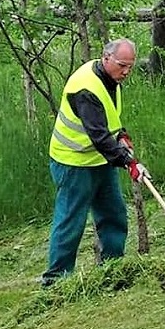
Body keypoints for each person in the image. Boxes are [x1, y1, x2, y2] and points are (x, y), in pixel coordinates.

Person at [40, 38, 151, 287]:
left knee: (113, 213)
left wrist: (121, 135)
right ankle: (56, 282)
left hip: (99, 160)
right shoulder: (85, 88)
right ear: (106, 58)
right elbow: (99, 136)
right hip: (73, 162)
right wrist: (129, 163)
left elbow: (109, 119)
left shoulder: (111, 80)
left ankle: (112, 270)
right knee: (71, 221)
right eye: (122, 65)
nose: (126, 72)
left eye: (130, 67)